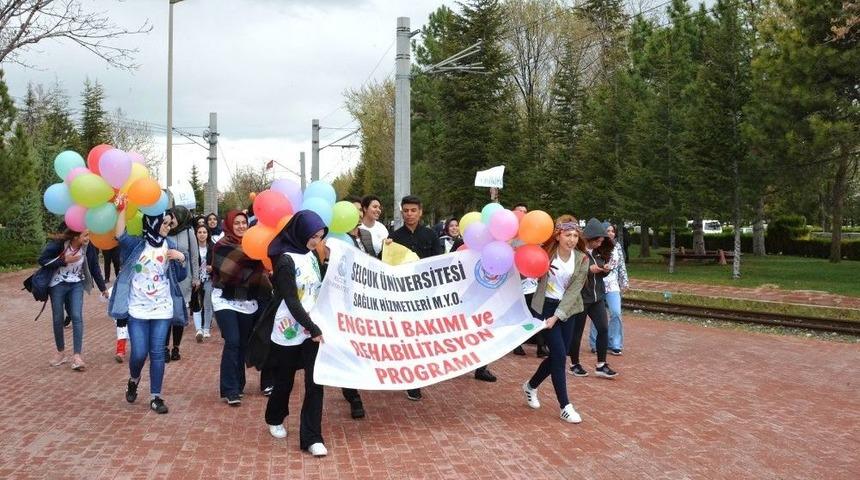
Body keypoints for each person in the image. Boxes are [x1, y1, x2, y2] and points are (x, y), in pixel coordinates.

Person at [247, 210, 328, 456]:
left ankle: (312, 438)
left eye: (320, 236)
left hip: (312, 328)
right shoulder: (285, 260)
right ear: (300, 231)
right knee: (285, 380)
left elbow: (317, 289)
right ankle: (275, 417)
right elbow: (292, 301)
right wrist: (312, 328)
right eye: (313, 236)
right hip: (290, 328)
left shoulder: (313, 255)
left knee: (316, 382)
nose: (316, 241)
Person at [110, 207, 187, 414]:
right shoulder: (137, 245)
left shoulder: (170, 245)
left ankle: (156, 397)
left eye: (170, 224)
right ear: (152, 222)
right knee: (138, 353)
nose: (168, 227)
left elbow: (179, 276)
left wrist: (181, 258)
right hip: (137, 309)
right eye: (165, 223)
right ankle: (134, 379)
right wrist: (121, 210)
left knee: (157, 353)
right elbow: (119, 235)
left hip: (162, 308)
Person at [521, 215, 588, 423]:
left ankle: (530, 386)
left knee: (559, 356)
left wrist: (557, 317)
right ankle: (565, 406)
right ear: (558, 235)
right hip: (545, 307)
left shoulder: (582, 259)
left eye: (575, 235)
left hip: (568, 310)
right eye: (568, 235)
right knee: (559, 355)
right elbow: (525, 272)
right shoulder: (545, 255)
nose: (572, 239)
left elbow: (574, 292)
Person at [389, 195, 448, 400]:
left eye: (413, 210)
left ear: (420, 212)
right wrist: (386, 248)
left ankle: (420, 371)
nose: (409, 214)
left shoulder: (431, 236)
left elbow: (440, 264)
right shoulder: (393, 237)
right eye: (406, 210)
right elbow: (385, 267)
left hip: (426, 296)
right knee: (405, 336)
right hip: (403, 297)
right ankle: (411, 380)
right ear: (401, 212)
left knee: (422, 336)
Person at [211, 210, 272, 406]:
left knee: (243, 344)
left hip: (247, 301)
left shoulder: (256, 245)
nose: (240, 226)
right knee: (233, 341)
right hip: (224, 299)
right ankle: (229, 389)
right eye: (236, 223)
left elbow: (262, 272)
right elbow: (228, 273)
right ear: (229, 225)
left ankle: (238, 384)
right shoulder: (221, 246)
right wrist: (254, 259)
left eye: (243, 223)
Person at [39, 224, 108, 370]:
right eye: (85, 235)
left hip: (76, 284)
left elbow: (94, 267)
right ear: (76, 236)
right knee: (58, 318)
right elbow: (43, 260)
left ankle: (77, 356)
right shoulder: (59, 245)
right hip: (57, 283)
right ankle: (61, 352)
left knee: (77, 316)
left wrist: (103, 288)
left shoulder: (88, 248)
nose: (88, 239)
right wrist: (64, 260)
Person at [568, 218, 618, 379]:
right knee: (577, 333)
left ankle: (601, 365)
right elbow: (571, 273)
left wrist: (605, 269)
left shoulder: (599, 252)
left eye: (602, 241)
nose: (600, 243)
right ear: (590, 238)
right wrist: (589, 270)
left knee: (603, 328)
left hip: (597, 297)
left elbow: (601, 271)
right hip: (581, 298)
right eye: (598, 240)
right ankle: (574, 364)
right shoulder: (576, 252)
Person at [164, 206, 199, 362]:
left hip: (184, 279)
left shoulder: (189, 232)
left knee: (178, 314)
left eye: (174, 216)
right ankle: (163, 348)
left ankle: (176, 348)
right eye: (170, 216)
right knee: (165, 315)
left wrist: (196, 278)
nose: (171, 219)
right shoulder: (163, 232)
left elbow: (194, 257)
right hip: (166, 278)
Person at [589, 223, 628, 355]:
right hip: (598, 284)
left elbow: (621, 265)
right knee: (598, 315)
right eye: (607, 231)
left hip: (613, 285)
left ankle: (615, 344)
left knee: (616, 313)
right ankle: (595, 343)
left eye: (612, 231)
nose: (610, 233)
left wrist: (624, 281)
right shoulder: (597, 246)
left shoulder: (617, 246)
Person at [192, 224, 215, 342]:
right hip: (195, 279)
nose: (202, 234)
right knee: (196, 303)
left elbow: (218, 263)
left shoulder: (213, 247)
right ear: (196, 234)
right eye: (199, 232)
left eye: (204, 232)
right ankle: (198, 329)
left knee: (207, 303)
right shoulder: (193, 247)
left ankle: (206, 328)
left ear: (208, 234)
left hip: (209, 279)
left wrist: (213, 267)